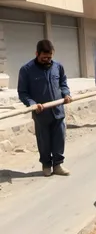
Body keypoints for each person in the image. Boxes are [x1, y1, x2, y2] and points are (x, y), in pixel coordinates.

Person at [18, 39, 72, 177]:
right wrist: (32, 103)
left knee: (59, 138)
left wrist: (66, 94)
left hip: (58, 111)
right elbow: (23, 92)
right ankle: (46, 164)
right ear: (37, 54)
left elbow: (63, 83)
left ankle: (58, 165)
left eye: (50, 57)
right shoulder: (26, 70)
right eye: (44, 58)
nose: (47, 60)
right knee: (44, 141)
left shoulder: (58, 67)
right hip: (41, 113)